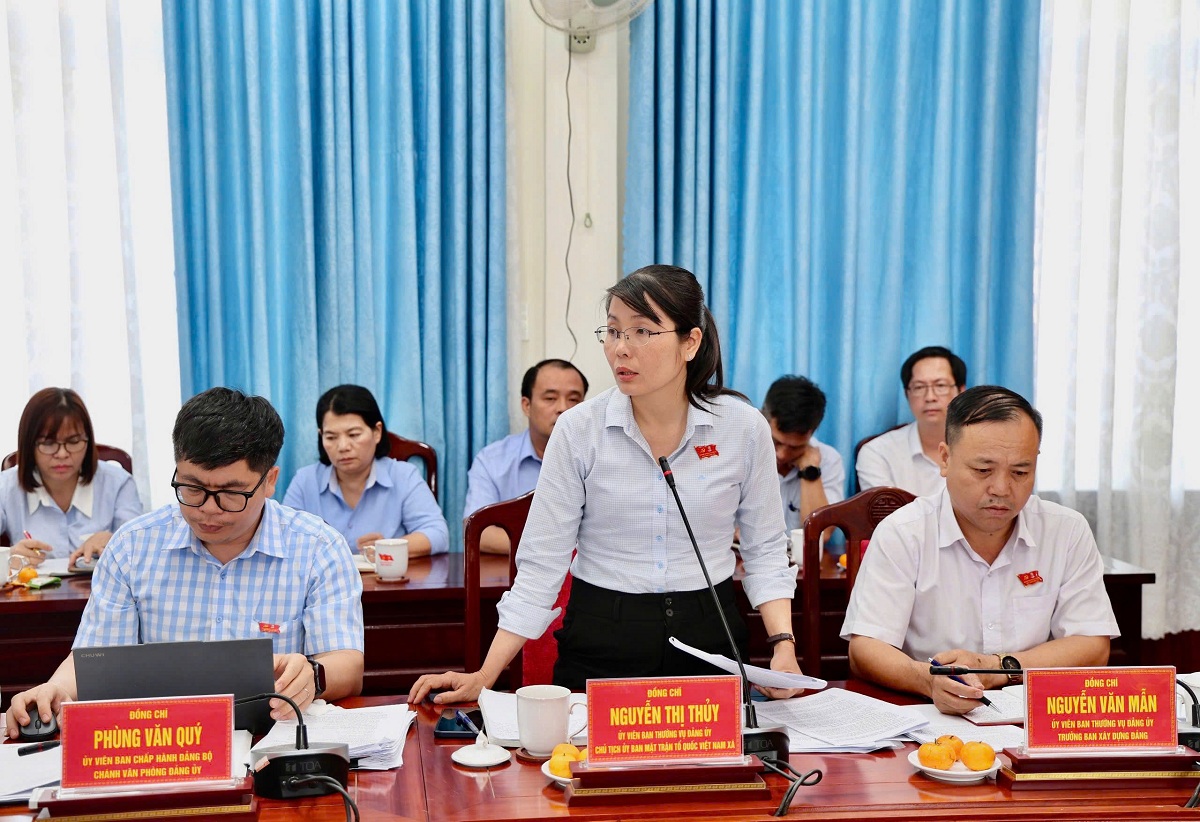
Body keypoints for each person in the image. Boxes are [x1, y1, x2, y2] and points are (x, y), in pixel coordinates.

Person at [409, 264, 803, 705]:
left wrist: (783, 646)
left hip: (711, 633)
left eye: (642, 331)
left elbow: (765, 549)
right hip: (603, 637)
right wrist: (485, 674)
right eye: (613, 331)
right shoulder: (579, 430)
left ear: (690, 342)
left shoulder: (742, 428)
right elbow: (541, 564)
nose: (621, 348)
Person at [4, 387, 365, 738]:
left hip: (271, 742)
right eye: (192, 488)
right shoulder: (132, 547)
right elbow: (94, 659)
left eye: (229, 493)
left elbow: (347, 665)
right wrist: (55, 689)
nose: (207, 509)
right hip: (162, 743)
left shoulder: (317, 547)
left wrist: (312, 675)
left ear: (269, 480)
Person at [842, 386, 1117, 715]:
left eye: (1020, 472)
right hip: (931, 716)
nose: (1001, 489)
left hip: (1034, 717)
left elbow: (1092, 645)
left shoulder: (1066, 530)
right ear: (945, 459)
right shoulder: (903, 532)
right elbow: (866, 649)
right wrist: (928, 681)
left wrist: (996, 668)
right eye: (983, 470)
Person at [284, 385, 449, 557]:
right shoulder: (305, 480)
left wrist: (388, 548)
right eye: (331, 437)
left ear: (377, 432)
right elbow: (285, 537)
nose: (343, 447)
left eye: (354, 435)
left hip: (385, 574)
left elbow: (438, 534)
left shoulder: (403, 476)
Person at [0, 388, 142, 568]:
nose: (62, 454)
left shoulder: (118, 483)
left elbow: (141, 549)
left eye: (74, 441)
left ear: (88, 441)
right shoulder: (6, 487)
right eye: (48, 443)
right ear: (29, 445)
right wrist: (7, 556)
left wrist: (115, 540)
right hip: (31, 587)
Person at [462, 359, 588, 553]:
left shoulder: (602, 458)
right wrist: (551, 550)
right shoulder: (492, 460)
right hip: (515, 571)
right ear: (526, 405)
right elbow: (477, 532)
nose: (563, 408)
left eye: (573, 400)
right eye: (550, 398)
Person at [856, 346, 966, 496]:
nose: (930, 397)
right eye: (919, 387)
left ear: (961, 391)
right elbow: (884, 511)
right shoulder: (878, 452)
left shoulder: (984, 448)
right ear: (907, 394)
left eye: (940, 385)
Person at [762, 376, 845, 534]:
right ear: (762, 418)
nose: (781, 455)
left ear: (811, 433)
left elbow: (821, 535)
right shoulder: (739, 451)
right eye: (776, 442)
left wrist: (810, 471)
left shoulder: (829, 460)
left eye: (795, 447)